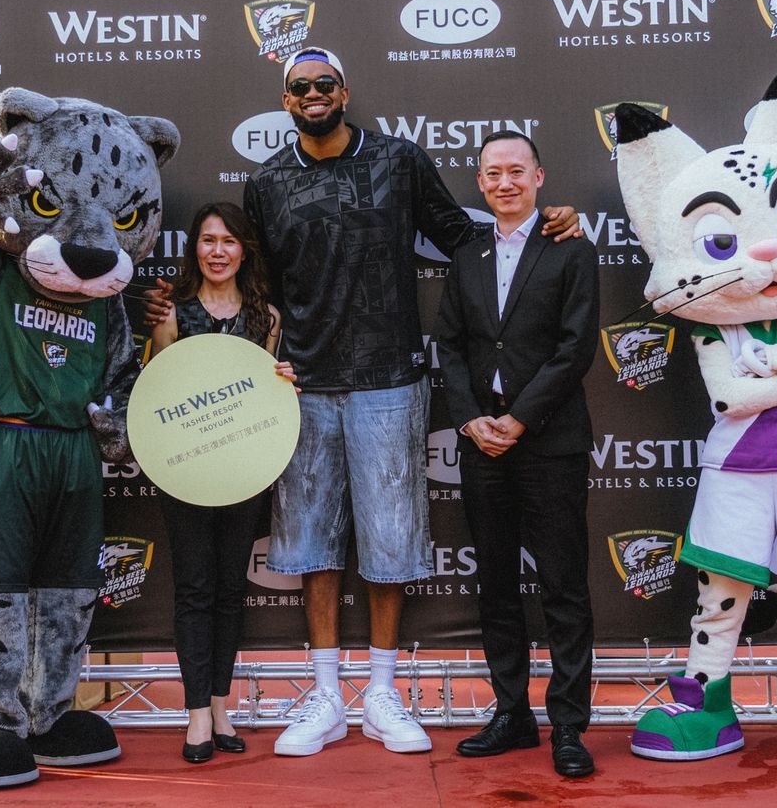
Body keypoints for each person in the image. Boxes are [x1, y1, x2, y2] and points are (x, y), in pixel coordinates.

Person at [241, 46, 582, 757]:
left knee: (391, 542)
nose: (312, 93)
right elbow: (259, 285)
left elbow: (465, 239)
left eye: (325, 83)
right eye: (299, 86)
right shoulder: (267, 182)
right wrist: (258, 351)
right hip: (302, 385)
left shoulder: (398, 159)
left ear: (345, 91)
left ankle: (382, 693)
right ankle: (326, 696)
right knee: (312, 546)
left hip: (391, 379)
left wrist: (546, 226)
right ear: (286, 100)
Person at [434, 131, 599, 777]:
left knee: (563, 586)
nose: (505, 183)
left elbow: (575, 348)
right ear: (479, 183)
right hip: (482, 444)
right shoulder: (467, 254)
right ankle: (512, 713)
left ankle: (569, 725)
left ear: (538, 177)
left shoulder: (571, 248)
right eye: (493, 173)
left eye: (516, 171)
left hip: (550, 442)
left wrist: (520, 418)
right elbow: (450, 346)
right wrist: (470, 418)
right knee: (496, 586)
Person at [144, 202, 296, 764]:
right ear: (195, 248)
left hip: (244, 472)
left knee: (230, 591)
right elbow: (159, 396)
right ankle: (196, 716)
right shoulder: (173, 313)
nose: (218, 251)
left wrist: (284, 382)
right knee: (194, 589)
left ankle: (220, 705)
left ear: (244, 251)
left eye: (229, 241)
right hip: (183, 471)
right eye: (208, 240)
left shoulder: (267, 319)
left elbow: (267, 402)